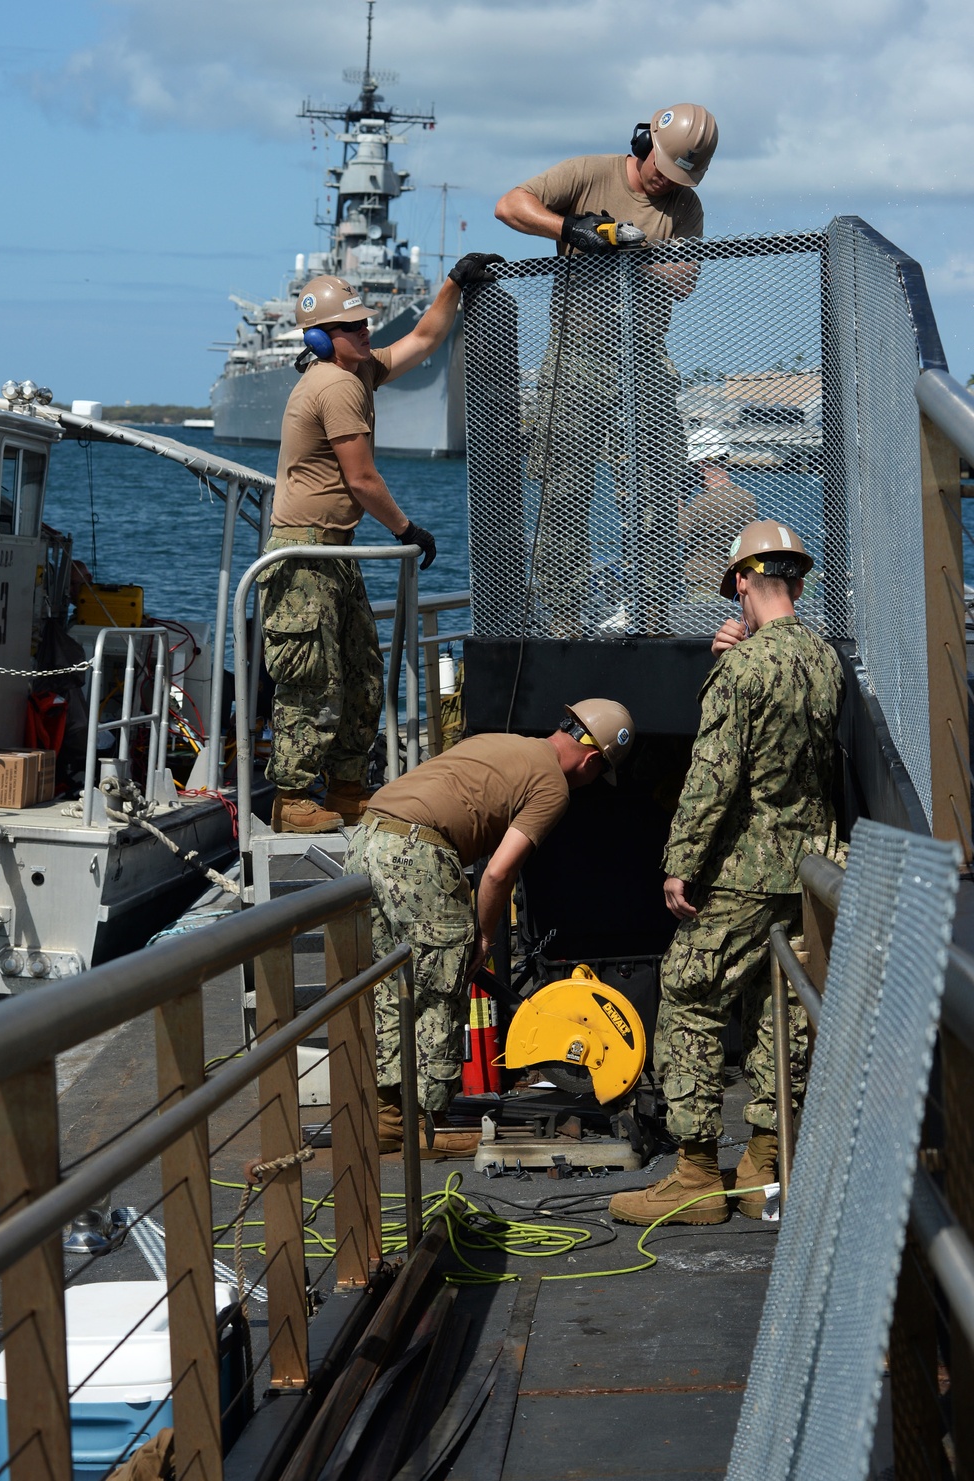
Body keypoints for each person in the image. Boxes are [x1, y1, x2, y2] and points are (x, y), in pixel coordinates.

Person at [609, 521, 844, 1227]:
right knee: (780, 1004)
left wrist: (680, 864)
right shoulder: (825, 658)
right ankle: (766, 1159)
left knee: (689, 992)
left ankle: (693, 1173)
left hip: (746, 865)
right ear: (796, 582)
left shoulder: (739, 670)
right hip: (809, 864)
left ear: (742, 581)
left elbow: (713, 779)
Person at [260, 256, 501, 834]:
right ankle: (292, 799)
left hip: (334, 552)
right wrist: (407, 531)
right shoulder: (335, 385)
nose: (369, 332)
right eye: (355, 327)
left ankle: (346, 787)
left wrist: (454, 283)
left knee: (363, 671)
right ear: (323, 337)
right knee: (311, 676)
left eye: (367, 324)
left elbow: (422, 338)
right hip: (306, 555)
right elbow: (362, 478)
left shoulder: (358, 371)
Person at [342, 698, 636, 1155]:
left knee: (393, 984)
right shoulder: (552, 786)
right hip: (415, 855)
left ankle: (388, 1117)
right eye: (598, 773)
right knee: (443, 987)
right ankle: (427, 1127)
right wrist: (482, 936)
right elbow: (499, 872)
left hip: (365, 838)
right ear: (593, 759)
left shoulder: (502, 743)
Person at [494, 106, 718, 635]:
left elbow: (685, 280)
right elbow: (510, 206)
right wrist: (573, 228)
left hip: (646, 364)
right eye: (662, 167)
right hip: (575, 361)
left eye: (680, 175)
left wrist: (629, 245)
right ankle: (565, 628)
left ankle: (655, 624)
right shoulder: (588, 173)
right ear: (643, 142)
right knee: (563, 497)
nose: (666, 181)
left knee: (656, 499)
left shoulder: (686, 206)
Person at [678, 429, 757, 598]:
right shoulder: (748, 499)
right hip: (735, 581)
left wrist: (679, 497)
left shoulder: (701, 503)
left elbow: (676, 533)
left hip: (704, 583)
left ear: (699, 465)